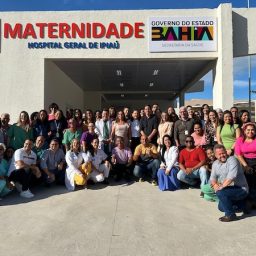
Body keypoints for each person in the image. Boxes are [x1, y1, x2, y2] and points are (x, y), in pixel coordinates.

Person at [210, 144, 249, 222]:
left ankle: (230, 215)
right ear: (215, 155)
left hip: (241, 189)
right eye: (219, 154)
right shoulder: (215, 164)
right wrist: (214, 184)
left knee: (221, 193)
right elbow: (212, 178)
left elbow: (232, 176)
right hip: (228, 189)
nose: (222, 155)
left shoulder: (232, 160)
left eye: (223, 153)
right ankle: (243, 205)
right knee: (221, 207)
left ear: (226, 152)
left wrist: (220, 187)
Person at [235, 122, 256, 207]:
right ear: (244, 130)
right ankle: (249, 200)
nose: (250, 131)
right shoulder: (240, 140)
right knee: (248, 182)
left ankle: (253, 201)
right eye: (248, 130)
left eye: (252, 130)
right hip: (245, 162)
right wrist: (246, 166)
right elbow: (238, 154)